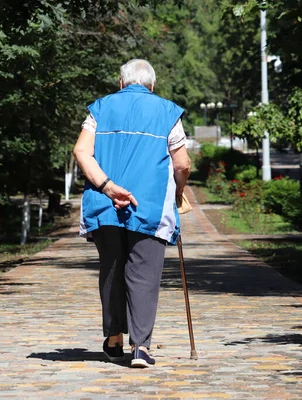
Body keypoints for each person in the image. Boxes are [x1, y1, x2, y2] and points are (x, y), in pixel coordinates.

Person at [72, 59, 191, 368]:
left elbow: (81, 151)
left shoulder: (100, 108)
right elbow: (182, 164)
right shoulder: (166, 111)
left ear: (121, 83)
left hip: (105, 204)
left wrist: (108, 187)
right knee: (144, 275)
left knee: (111, 271)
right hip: (149, 206)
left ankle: (113, 341)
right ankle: (140, 348)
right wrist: (178, 193)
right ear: (152, 86)